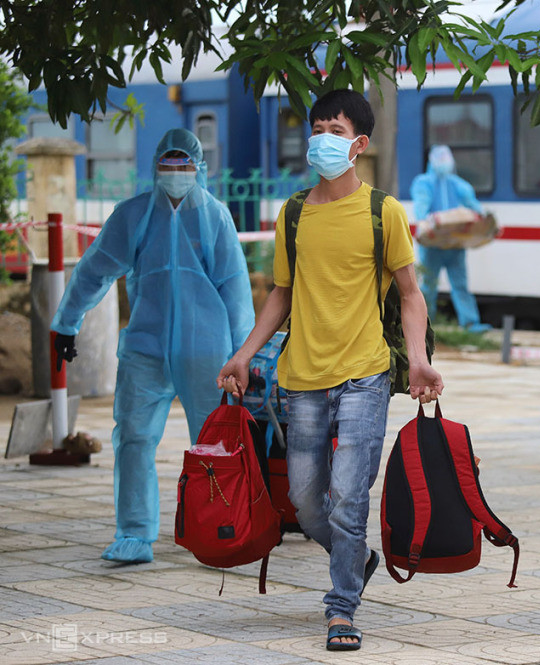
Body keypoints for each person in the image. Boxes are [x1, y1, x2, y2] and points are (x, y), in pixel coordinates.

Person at [217, 90, 443, 652]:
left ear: (359, 144)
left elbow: (410, 296)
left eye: (334, 130)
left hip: (365, 372)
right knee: (305, 499)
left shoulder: (381, 211)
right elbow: (282, 295)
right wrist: (244, 353)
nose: (322, 138)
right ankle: (359, 558)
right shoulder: (293, 213)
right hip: (302, 376)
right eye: (317, 128)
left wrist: (417, 360)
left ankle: (341, 607)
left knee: (348, 494)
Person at [51, 129, 255, 564]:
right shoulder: (135, 215)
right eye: (169, 164)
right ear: (156, 166)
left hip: (208, 353)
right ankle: (134, 533)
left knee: (215, 442)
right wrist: (67, 323)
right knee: (133, 437)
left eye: (185, 165)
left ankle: (218, 526)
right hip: (145, 348)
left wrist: (243, 355)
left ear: (198, 167)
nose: (177, 172)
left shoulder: (216, 218)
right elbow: (95, 270)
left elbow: (237, 293)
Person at [410, 144, 491, 333]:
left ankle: (470, 323)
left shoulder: (458, 184)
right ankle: (424, 324)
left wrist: (488, 220)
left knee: (460, 285)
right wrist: (423, 222)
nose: (444, 164)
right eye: (441, 161)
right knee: (428, 286)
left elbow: (473, 204)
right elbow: (421, 207)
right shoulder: (424, 183)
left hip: (455, 244)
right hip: (433, 245)